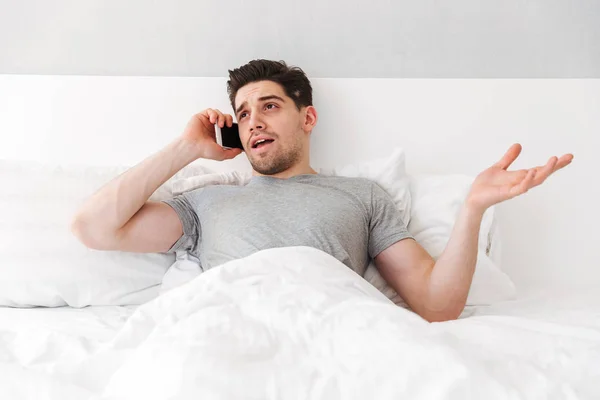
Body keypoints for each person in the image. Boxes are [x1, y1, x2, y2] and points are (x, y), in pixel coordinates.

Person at [71, 59, 573, 322]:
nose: (253, 122)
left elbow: (437, 306)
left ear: (307, 117)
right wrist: (185, 150)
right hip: (230, 330)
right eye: (243, 114)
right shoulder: (207, 200)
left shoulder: (363, 196)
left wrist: (473, 209)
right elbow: (92, 228)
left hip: (334, 329)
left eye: (269, 106)